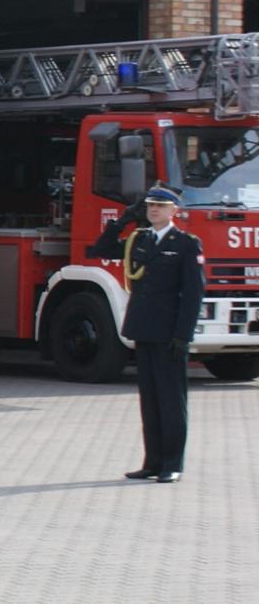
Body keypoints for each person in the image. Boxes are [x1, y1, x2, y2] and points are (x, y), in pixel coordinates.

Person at [88, 185, 204, 483]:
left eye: (160, 206)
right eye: (150, 205)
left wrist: (183, 336)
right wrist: (121, 221)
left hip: (169, 333)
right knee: (150, 401)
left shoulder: (186, 244)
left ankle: (172, 464)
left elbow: (193, 295)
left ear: (174, 211)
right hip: (144, 329)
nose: (153, 210)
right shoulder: (138, 239)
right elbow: (100, 249)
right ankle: (152, 462)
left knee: (171, 401)